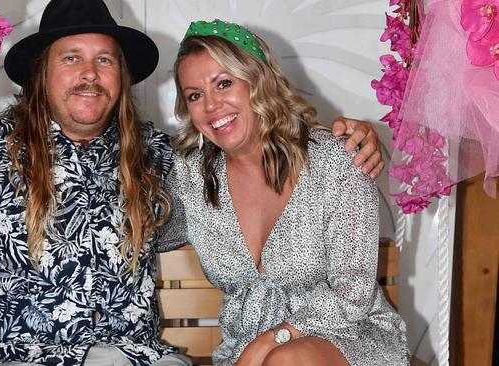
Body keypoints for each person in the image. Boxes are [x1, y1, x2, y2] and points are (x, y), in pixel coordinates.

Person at [0, 1, 384, 365]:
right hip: (24, 356)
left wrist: (351, 137)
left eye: (104, 59)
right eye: (71, 57)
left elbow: (247, 153)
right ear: (40, 75)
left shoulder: (160, 157)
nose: (90, 74)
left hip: (135, 357)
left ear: (120, 76)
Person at [158, 19, 411, 366]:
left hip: (348, 335)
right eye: (195, 96)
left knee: (286, 360)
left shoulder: (335, 161)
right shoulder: (193, 179)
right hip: (245, 352)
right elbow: (143, 235)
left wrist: (272, 341)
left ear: (259, 82)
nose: (211, 105)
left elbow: (353, 292)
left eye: (224, 83)